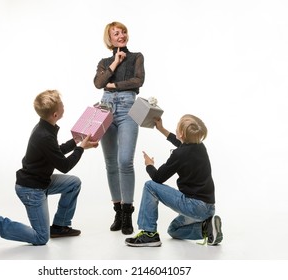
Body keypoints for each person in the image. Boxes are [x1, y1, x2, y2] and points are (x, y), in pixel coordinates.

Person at [0, 89, 98, 246]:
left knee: (73, 183)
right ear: (55, 114)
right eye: (62, 105)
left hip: (42, 181)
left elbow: (55, 152)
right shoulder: (45, 135)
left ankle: (60, 226)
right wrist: (81, 148)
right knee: (41, 237)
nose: (64, 106)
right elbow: (64, 165)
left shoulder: (46, 127)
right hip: (31, 190)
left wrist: (76, 141)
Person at [125, 114, 223, 247]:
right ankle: (207, 229)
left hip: (193, 206)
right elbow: (181, 143)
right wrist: (161, 129)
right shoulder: (200, 147)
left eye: (177, 127)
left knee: (150, 186)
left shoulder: (179, 155)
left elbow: (157, 178)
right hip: (208, 208)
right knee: (173, 231)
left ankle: (148, 234)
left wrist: (149, 165)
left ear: (181, 134)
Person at [93, 21, 145, 235]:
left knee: (125, 161)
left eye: (123, 31)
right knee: (110, 163)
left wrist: (114, 85)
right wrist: (114, 63)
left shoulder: (136, 57)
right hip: (105, 108)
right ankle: (117, 210)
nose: (121, 35)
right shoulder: (105, 61)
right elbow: (98, 84)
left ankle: (127, 212)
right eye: (116, 33)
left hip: (128, 109)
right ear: (110, 38)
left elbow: (138, 81)